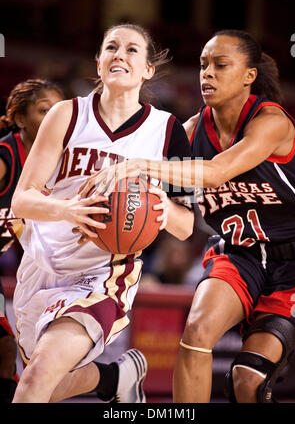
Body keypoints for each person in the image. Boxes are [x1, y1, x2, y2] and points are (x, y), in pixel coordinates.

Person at [85, 29, 295, 403]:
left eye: (220, 65)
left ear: (249, 75)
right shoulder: (190, 132)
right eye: (202, 65)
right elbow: (180, 217)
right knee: (196, 334)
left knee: (247, 380)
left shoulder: (272, 122)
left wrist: (140, 165)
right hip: (240, 255)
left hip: (293, 261)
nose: (207, 74)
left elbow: (217, 171)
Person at [11, 24, 194, 403]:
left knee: (34, 383)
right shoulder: (65, 114)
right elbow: (22, 200)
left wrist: (158, 202)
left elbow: (186, 226)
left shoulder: (167, 132)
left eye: (132, 50)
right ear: (99, 62)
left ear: (146, 70)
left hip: (102, 275)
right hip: (41, 266)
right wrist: (68, 209)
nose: (120, 55)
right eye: (112, 47)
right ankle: (114, 376)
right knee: (36, 384)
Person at [0, 79, 63, 403]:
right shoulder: (5, 155)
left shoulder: (56, 166)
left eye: (58, 110)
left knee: (4, 349)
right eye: (43, 110)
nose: (53, 117)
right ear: (21, 120)